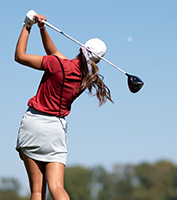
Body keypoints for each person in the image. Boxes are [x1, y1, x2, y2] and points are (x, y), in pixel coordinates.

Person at [14, 10, 113, 200]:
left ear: (81, 48)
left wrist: (27, 25)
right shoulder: (86, 78)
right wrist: (42, 28)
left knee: (37, 191)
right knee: (57, 187)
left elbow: (19, 56)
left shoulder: (58, 64)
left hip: (34, 124)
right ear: (97, 60)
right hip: (56, 131)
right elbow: (54, 52)